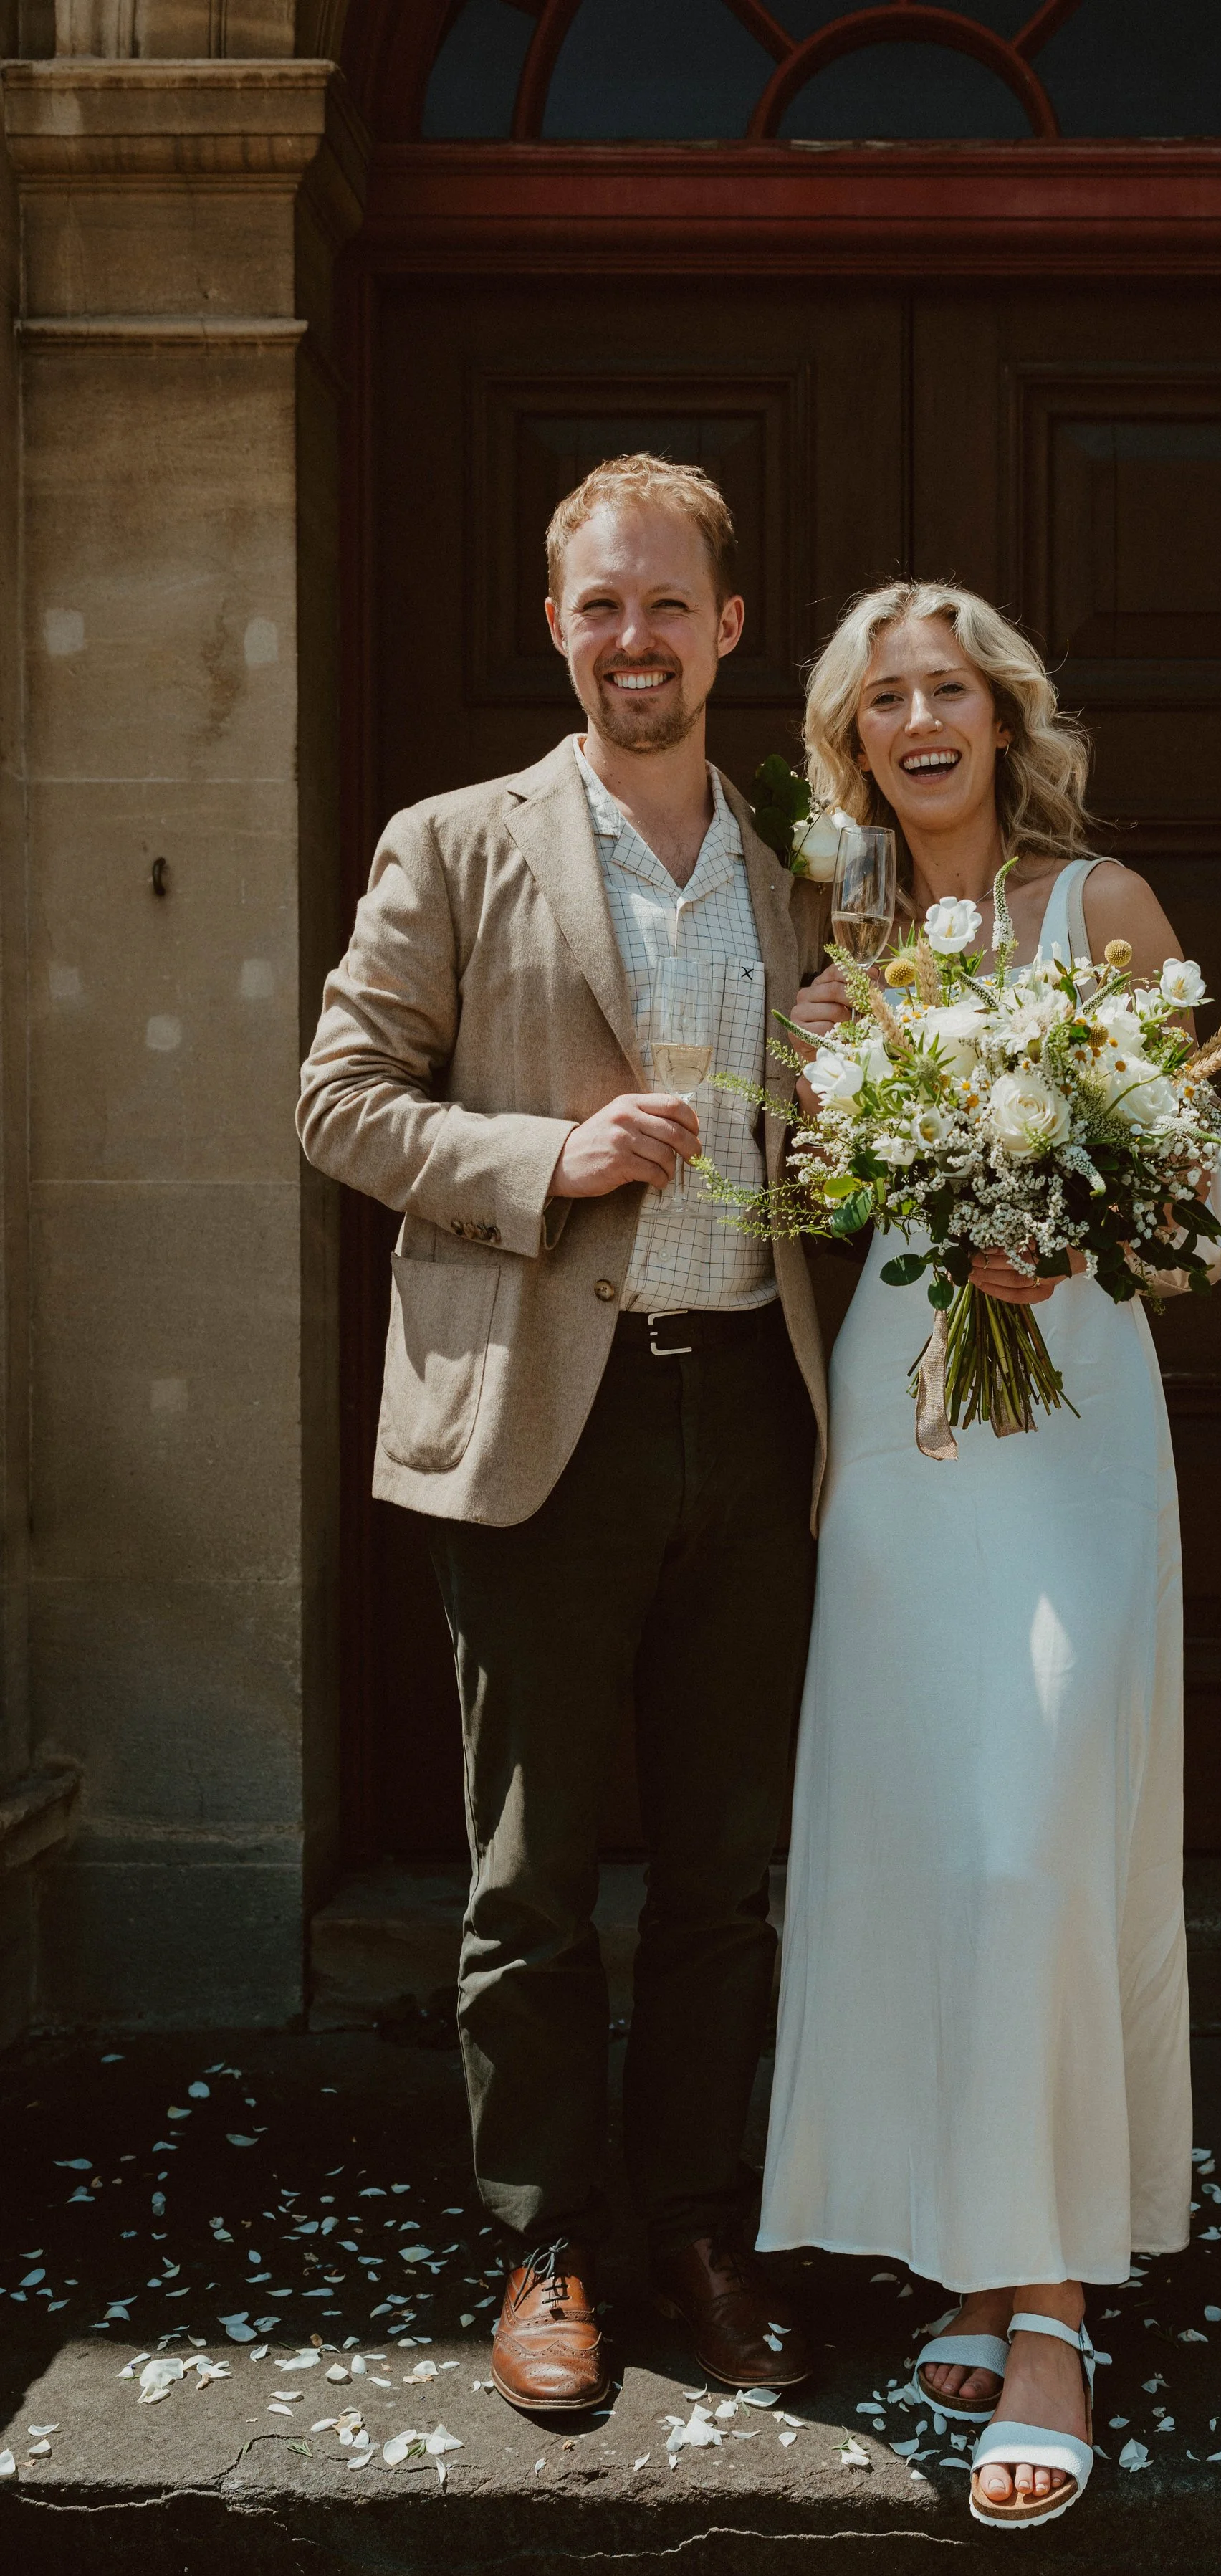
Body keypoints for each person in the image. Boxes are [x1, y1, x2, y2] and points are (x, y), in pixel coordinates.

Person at [297, 454, 842, 2423]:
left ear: (729, 627)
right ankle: (541, 2242)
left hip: (748, 1410)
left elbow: (824, 1144)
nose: (635, 637)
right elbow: (338, 1100)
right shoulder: (452, 843)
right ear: (557, 627)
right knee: (528, 1877)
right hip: (542, 1423)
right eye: (599, 605)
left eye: (667, 603)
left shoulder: (790, 873)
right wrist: (548, 1157)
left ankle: (695, 2226)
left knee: (722, 1875)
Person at [757, 581, 1221, 2527]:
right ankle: (976, 2247)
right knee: (924, 1838)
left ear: (999, 715)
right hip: (905, 1427)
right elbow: (812, 1207)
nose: (914, 717)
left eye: (943, 685)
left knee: (1036, 1823)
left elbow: (1210, 1192)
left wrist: (1069, 1232)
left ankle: (1046, 2310)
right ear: (852, 744)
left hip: (1065, 1426)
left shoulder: (1100, 905)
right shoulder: (841, 938)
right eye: (881, 697)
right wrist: (821, 1087)